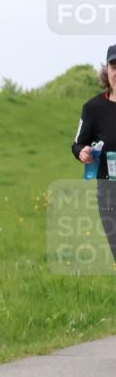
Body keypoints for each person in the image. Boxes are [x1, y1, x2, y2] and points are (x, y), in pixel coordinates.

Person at [72, 44, 116, 265]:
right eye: (114, 66)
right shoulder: (93, 108)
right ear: (106, 70)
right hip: (109, 192)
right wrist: (84, 153)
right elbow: (77, 144)